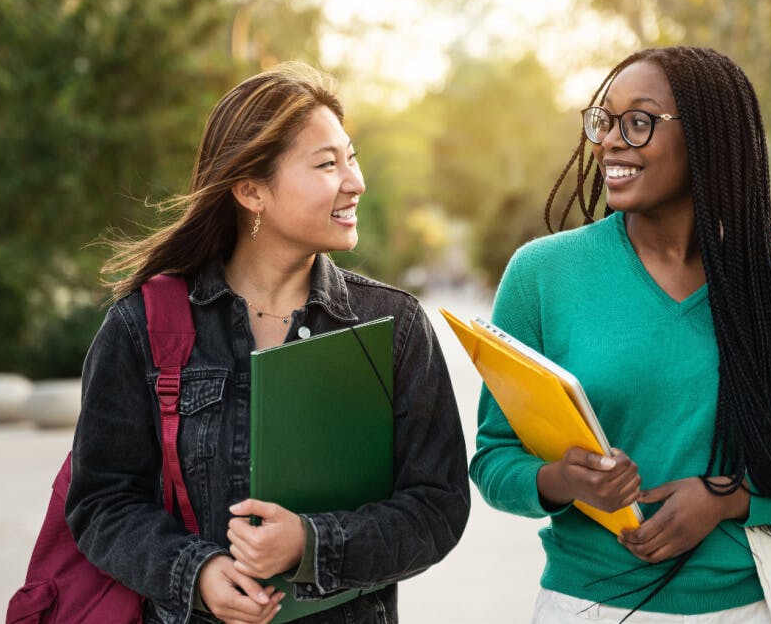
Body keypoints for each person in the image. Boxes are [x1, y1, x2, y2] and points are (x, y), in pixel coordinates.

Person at [470, 46, 771, 622]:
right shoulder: (543, 274)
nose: (611, 141)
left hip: (756, 606)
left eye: (639, 122)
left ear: (708, 138)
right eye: (603, 120)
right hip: (586, 606)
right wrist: (562, 480)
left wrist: (730, 498)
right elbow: (493, 459)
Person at [66, 62, 470, 624]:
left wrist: (311, 544)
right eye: (327, 164)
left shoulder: (393, 326)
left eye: (350, 157)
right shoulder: (142, 326)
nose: (355, 181)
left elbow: (438, 507)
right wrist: (197, 573)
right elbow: (100, 503)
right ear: (251, 190)